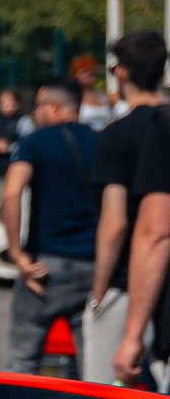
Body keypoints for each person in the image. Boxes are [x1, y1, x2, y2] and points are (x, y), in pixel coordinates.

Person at [2, 77, 101, 372]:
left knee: (23, 358)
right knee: (92, 365)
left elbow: (11, 192)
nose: (34, 113)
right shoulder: (102, 142)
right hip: (92, 264)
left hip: (44, 267)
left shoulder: (34, 142)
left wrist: (18, 255)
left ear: (55, 108)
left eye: (38, 107)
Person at [87, 32, 167, 381]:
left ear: (120, 73)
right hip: (166, 292)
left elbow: (115, 223)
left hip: (128, 284)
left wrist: (98, 293)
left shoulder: (117, 134)